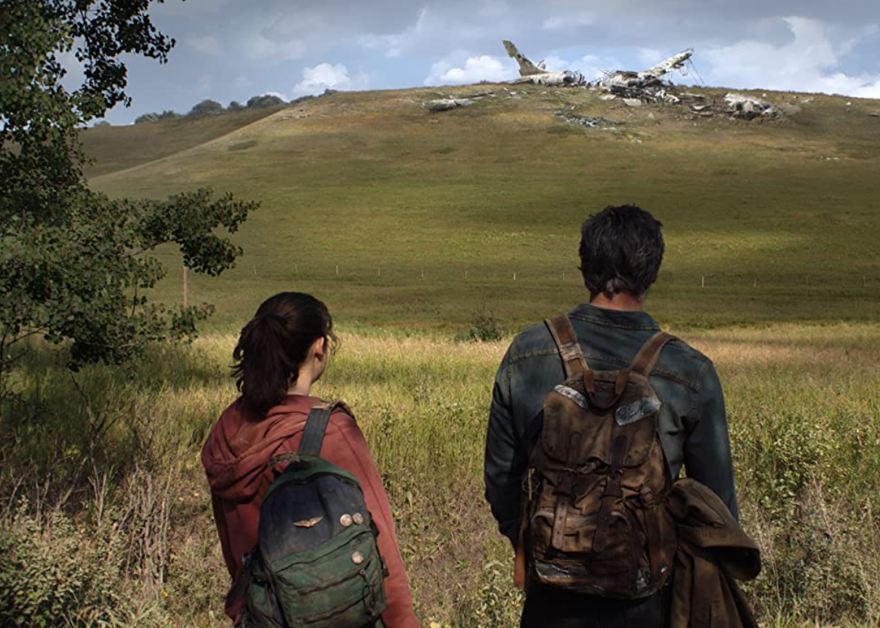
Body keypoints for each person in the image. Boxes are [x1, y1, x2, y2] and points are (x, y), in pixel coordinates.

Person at [484, 205, 739, 627]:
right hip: (646, 603)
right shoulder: (690, 370)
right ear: (651, 272)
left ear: (585, 267)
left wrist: (548, 547)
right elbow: (718, 510)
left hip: (549, 600)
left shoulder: (526, 353)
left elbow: (500, 480)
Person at [202, 292, 419, 627]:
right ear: (319, 347)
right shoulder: (331, 431)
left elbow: (234, 556)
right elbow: (381, 548)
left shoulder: (226, 432)